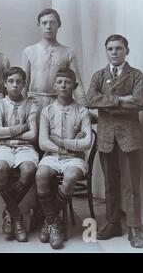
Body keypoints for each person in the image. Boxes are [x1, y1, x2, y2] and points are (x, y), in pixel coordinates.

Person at [86, 34, 143, 248]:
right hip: (106, 137)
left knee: (131, 184)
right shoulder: (99, 75)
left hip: (129, 138)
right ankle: (113, 223)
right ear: (106, 51)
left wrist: (107, 103)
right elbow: (90, 99)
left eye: (118, 48)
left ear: (126, 51)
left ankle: (133, 227)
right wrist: (121, 100)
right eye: (110, 48)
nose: (114, 52)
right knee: (110, 183)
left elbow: (139, 102)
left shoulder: (136, 75)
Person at [36, 68, 92, 249]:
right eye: (59, 82)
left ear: (74, 86)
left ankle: (49, 222)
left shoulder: (82, 111)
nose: (63, 86)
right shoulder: (47, 111)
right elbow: (43, 142)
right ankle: (54, 223)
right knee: (41, 175)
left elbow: (87, 142)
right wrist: (64, 147)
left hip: (74, 158)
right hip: (52, 156)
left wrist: (62, 142)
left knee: (70, 177)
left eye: (67, 82)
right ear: (54, 85)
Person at [0, 67, 38, 242]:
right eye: (11, 81)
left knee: (28, 169)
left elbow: (33, 135)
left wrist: (9, 135)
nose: (15, 85)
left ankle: (9, 211)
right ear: (4, 84)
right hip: (3, 147)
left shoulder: (31, 105)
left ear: (24, 84)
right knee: (0, 167)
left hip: (24, 148)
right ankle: (16, 217)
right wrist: (22, 128)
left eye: (19, 81)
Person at [22, 9, 87, 118]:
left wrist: (84, 108)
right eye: (44, 23)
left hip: (59, 103)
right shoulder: (29, 51)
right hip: (33, 103)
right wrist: (22, 108)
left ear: (58, 25)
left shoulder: (68, 52)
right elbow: (24, 82)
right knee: (34, 134)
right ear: (39, 25)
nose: (48, 26)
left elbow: (77, 83)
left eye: (52, 22)